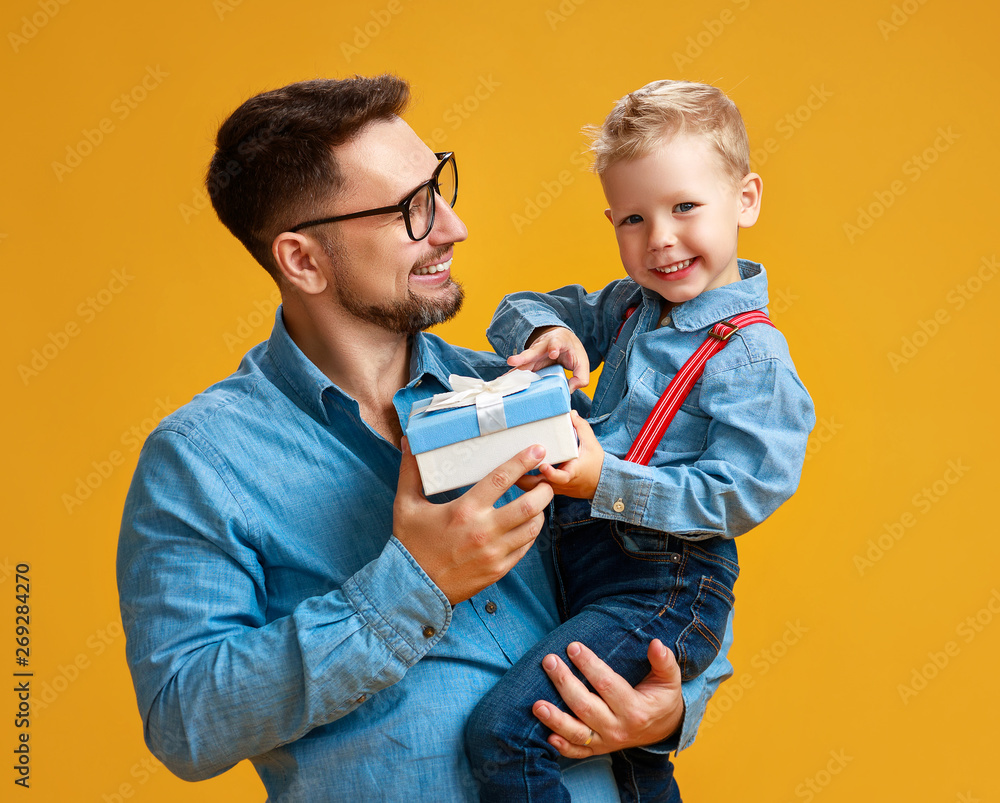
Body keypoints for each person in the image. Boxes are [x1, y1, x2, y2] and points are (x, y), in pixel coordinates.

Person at [116, 75, 736, 803]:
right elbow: (185, 721)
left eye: (437, 186)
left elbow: (668, 566)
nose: (451, 226)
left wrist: (671, 708)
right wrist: (416, 581)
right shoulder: (200, 460)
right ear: (302, 260)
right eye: (409, 209)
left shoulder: (531, 394)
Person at [467, 80, 815, 802]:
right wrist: (548, 334)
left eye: (685, 206)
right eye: (633, 217)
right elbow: (517, 309)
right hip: (587, 569)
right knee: (630, 763)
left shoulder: (751, 356)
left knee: (508, 732)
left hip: (663, 586)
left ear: (745, 199)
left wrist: (606, 479)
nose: (659, 237)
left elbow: (743, 491)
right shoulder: (630, 305)